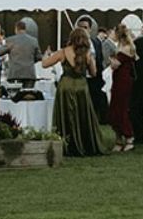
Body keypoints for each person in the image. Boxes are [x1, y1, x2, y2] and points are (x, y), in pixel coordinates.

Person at [44, 28, 112, 157]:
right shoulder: (87, 54)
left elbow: (44, 64)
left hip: (65, 86)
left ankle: (67, 144)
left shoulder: (62, 52)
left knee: (66, 116)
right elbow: (93, 73)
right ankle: (84, 143)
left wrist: (46, 55)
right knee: (82, 115)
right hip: (81, 86)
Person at [108, 23, 137, 151]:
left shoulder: (125, 49)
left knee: (121, 108)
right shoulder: (128, 46)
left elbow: (116, 65)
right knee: (117, 107)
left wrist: (110, 60)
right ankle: (119, 137)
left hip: (122, 81)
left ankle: (128, 136)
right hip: (121, 80)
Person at [4, 17, 41, 84]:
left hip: (14, 74)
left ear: (16, 29)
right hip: (29, 74)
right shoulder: (34, 41)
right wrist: (30, 61)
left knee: (15, 94)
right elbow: (39, 57)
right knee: (28, 94)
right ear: (25, 29)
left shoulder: (10, 40)